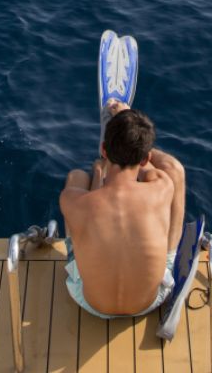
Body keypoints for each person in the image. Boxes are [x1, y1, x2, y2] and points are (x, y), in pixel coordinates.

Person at [58, 99, 186, 318]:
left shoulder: (73, 202)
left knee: (77, 176)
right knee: (176, 170)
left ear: (103, 150)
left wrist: (99, 172)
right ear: (146, 157)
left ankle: (104, 166)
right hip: (150, 301)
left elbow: (93, 199)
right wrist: (133, 131)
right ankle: (170, 256)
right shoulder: (162, 188)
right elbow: (165, 168)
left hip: (90, 303)